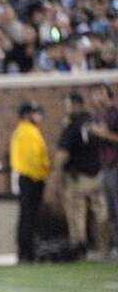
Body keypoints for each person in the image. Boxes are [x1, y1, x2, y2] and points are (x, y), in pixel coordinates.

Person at [53, 92, 105, 258]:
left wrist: (56, 174)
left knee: (77, 213)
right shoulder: (95, 121)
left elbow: (63, 153)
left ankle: (80, 247)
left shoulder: (73, 124)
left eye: (68, 105)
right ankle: (104, 247)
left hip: (79, 177)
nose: (67, 109)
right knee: (101, 213)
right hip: (99, 174)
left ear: (76, 105)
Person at [9, 101, 52, 262]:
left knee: (27, 216)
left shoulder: (23, 131)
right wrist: (45, 172)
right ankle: (27, 251)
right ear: (27, 114)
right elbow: (34, 158)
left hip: (27, 177)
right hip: (31, 178)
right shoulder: (28, 131)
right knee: (29, 217)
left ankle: (25, 250)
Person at [89, 84, 118, 259]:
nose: (97, 98)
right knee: (111, 211)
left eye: (100, 94)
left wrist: (103, 133)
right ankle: (116, 246)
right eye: (94, 94)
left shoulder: (115, 114)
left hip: (116, 165)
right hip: (106, 166)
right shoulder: (99, 117)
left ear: (109, 96)